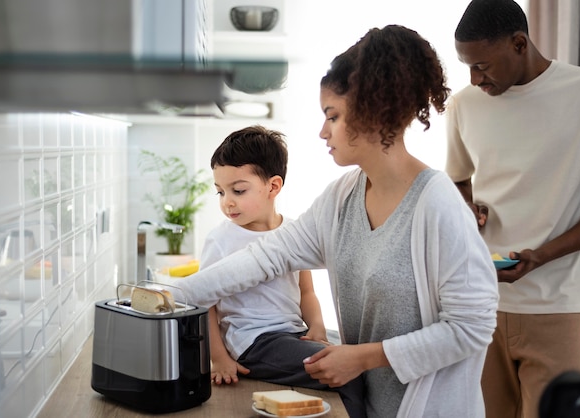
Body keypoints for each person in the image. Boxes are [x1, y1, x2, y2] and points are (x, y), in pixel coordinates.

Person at [173, 25, 498, 417]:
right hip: (372, 405)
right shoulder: (343, 197)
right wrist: (171, 298)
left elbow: (472, 328)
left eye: (333, 116)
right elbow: (266, 257)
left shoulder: (439, 205)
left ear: (375, 112)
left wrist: (363, 357)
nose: (323, 131)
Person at [445, 1, 580, 417]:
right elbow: (458, 179)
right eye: (467, 67)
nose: (475, 79)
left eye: (483, 66)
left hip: (560, 306)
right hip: (480, 302)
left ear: (520, 44)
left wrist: (541, 256)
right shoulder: (464, 104)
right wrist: (467, 208)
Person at [202, 125, 366, 418]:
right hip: (253, 342)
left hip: (292, 333)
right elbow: (206, 304)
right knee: (348, 372)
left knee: (357, 357)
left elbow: (306, 291)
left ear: (273, 186)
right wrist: (219, 358)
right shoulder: (220, 240)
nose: (227, 201)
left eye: (238, 190)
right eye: (221, 191)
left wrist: (316, 326)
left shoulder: (293, 232)